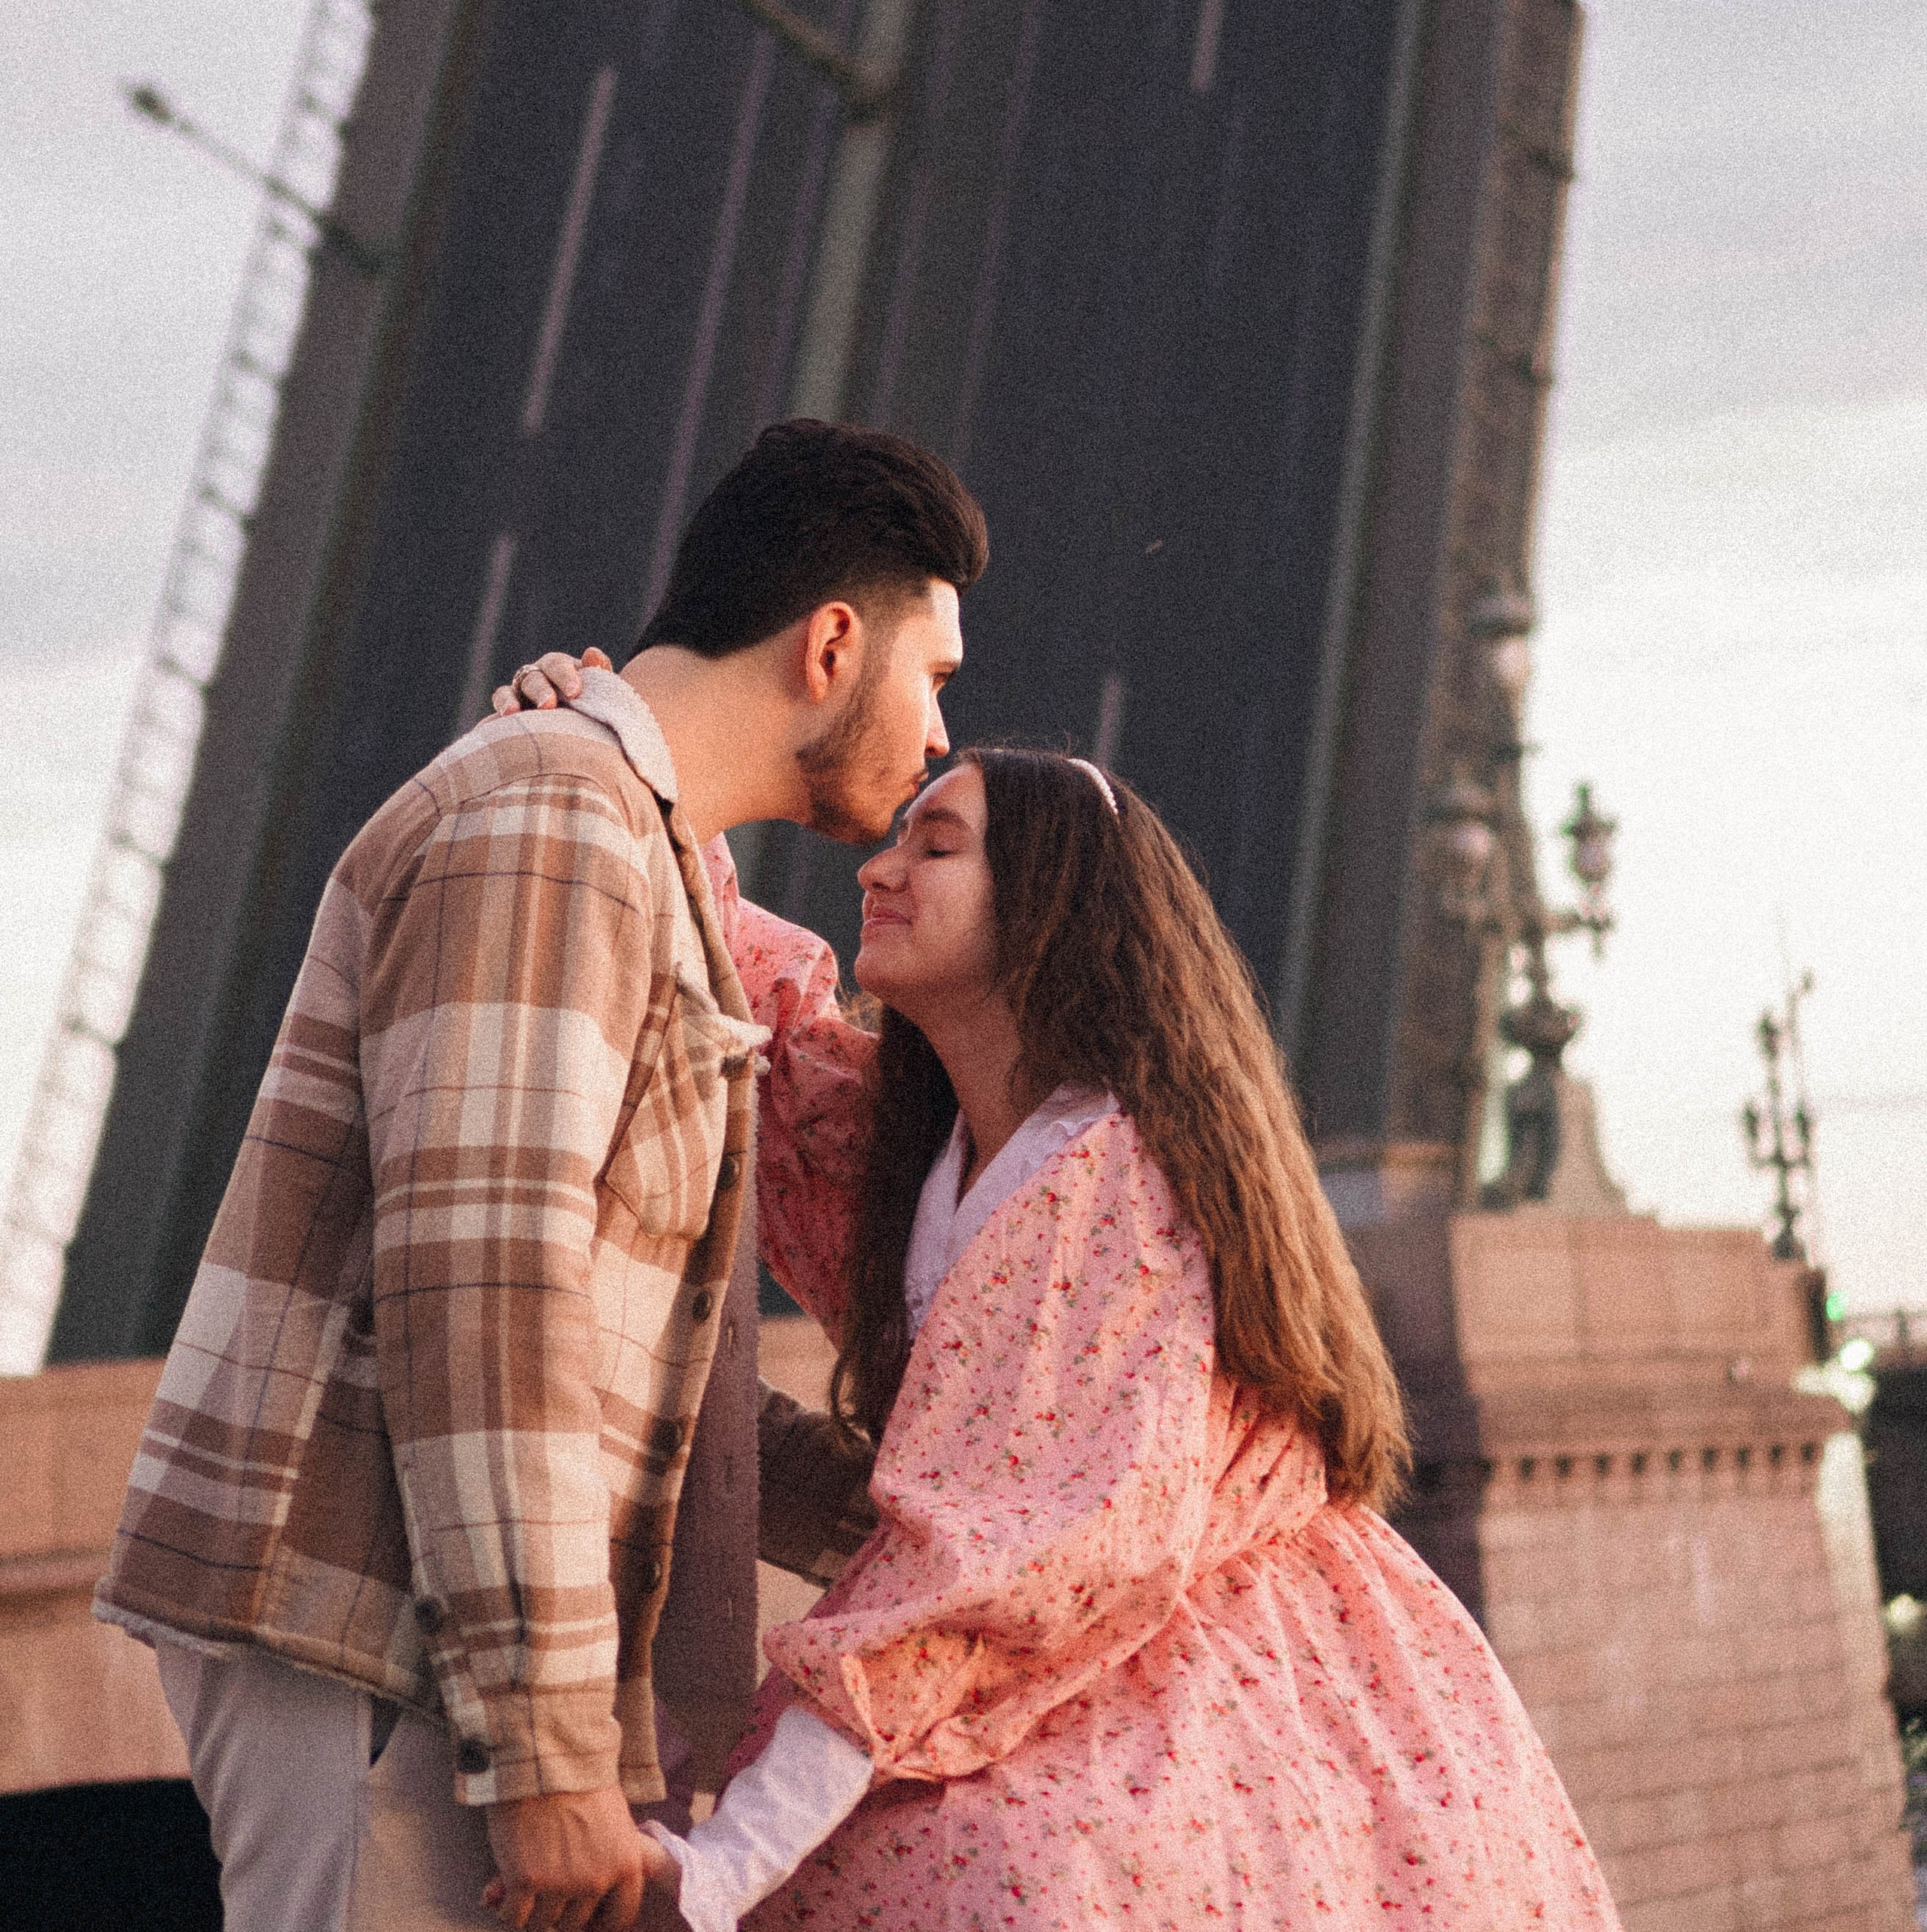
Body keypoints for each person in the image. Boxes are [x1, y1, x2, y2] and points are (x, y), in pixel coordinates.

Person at [93, 418, 988, 1932]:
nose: (940, 738)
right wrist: (553, 1756)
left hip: (410, 1637)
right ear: (832, 644)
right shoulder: (551, 830)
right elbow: (485, 1307)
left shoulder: (619, 848)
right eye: (936, 676)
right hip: (368, 1639)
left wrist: (942, 1534)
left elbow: (628, 1373)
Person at [624, 744, 1623, 1930]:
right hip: (1078, 1630)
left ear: (1050, 907)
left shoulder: (1112, 1182)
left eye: (934, 847)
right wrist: (643, 765)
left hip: (1208, 1670)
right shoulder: (930, 1149)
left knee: (979, 1879)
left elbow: (991, 1569)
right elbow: (768, 1029)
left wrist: (732, 1859)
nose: (877, 873)